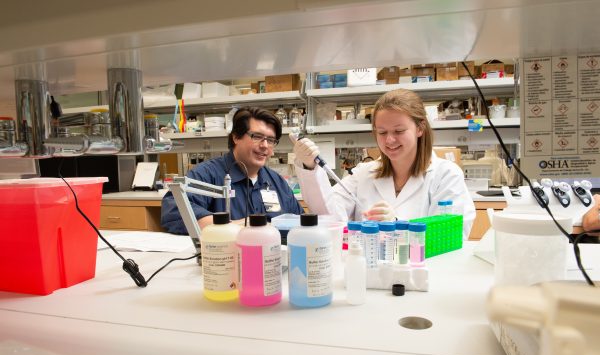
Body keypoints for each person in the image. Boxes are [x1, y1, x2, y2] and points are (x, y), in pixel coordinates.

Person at [293, 88, 476, 239]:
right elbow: (329, 217)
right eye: (381, 132)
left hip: (421, 276)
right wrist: (309, 167)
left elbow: (452, 236)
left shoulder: (446, 175)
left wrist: (397, 226)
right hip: (368, 274)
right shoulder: (363, 174)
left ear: (420, 128)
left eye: (399, 131)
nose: (389, 140)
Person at [161, 107, 303, 234]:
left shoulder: (277, 182)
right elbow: (174, 210)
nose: (265, 145)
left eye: (271, 140)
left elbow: (300, 223)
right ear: (236, 137)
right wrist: (233, 227)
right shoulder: (208, 174)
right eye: (257, 137)